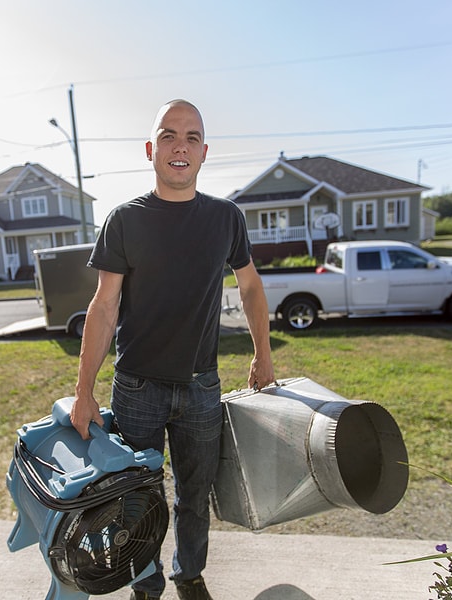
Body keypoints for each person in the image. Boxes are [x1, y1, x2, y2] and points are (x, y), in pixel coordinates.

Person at [70, 99, 275, 600]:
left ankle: (189, 576)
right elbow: (103, 307)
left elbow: (249, 287)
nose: (179, 146)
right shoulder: (124, 220)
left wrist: (263, 354)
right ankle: (145, 581)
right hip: (137, 384)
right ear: (151, 150)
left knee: (193, 495)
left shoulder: (226, 218)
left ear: (204, 152)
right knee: (137, 496)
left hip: (202, 385)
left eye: (190, 137)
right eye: (168, 136)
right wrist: (83, 390)